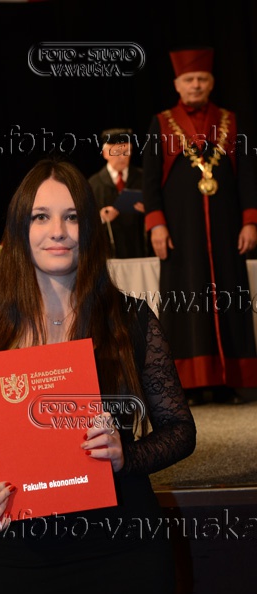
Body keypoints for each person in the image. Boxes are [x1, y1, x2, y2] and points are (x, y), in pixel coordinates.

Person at [0, 158, 196, 594]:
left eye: (72, 217)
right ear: (20, 229)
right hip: (19, 553)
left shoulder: (131, 320)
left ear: (90, 228)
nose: (57, 231)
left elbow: (180, 430)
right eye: (41, 217)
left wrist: (126, 457)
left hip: (124, 547)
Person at [142, 47, 257, 405]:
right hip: (181, 235)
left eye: (202, 79)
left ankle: (229, 380)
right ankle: (189, 385)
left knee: (230, 300)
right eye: (189, 79)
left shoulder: (230, 121)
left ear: (211, 82)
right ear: (177, 83)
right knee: (186, 303)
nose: (196, 85)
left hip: (227, 232)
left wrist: (250, 221)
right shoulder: (162, 123)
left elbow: (247, 176)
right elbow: (149, 182)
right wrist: (156, 225)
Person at [88, 128, 149, 258]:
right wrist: (101, 218)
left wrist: (149, 210)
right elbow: (84, 222)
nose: (122, 157)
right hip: (108, 252)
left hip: (139, 248)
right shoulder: (94, 184)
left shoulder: (143, 179)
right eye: (116, 152)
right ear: (105, 154)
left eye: (126, 152)